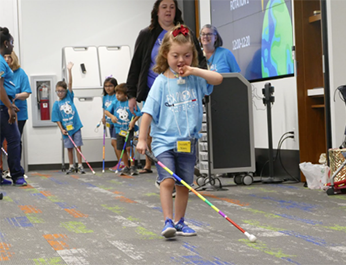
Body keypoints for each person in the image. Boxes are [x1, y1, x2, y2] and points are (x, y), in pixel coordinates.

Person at [136, 24, 223, 238]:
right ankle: (167, 221)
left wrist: (194, 70)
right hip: (164, 142)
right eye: (176, 55)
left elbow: (218, 79)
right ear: (166, 55)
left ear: (193, 55)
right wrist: (141, 139)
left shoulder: (195, 79)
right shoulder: (160, 83)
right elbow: (147, 113)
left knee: (184, 185)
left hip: (188, 141)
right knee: (167, 181)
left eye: (187, 55)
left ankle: (180, 221)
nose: (181, 60)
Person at [126, 0, 206, 175]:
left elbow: (199, 58)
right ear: (156, 11)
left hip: (182, 88)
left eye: (171, 7)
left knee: (178, 126)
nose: (168, 11)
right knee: (158, 130)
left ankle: (181, 171)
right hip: (155, 88)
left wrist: (201, 78)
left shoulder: (186, 32)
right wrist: (131, 94)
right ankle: (163, 171)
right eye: (164, 7)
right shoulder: (146, 34)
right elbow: (136, 64)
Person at [0, 26, 26, 186]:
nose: (13, 46)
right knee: (14, 140)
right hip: (2, 108)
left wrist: (10, 104)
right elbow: (0, 87)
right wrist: (9, 107)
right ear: (5, 43)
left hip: (4, 105)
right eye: (12, 42)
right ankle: (17, 175)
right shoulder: (0, 61)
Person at [52, 62, 85, 174]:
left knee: (77, 146)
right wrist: (61, 129)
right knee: (69, 148)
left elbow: (70, 84)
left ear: (65, 91)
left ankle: (80, 165)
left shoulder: (69, 98)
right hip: (66, 129)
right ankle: (71, 165)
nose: (60, 93)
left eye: (62, 91)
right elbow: (57, 119)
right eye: (58, 91)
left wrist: (70, 71)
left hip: (75, 126)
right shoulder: (56, 104)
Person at [105, 83, 142, 176]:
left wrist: (133, 122)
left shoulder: (130, 102)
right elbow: (106, 111)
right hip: (119, 129)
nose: (117, 95)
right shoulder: (115, 102)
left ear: (126, 94)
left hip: (128, 129)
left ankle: (133, 165)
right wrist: (112, 116)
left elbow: (138, 114)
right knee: (122, 149)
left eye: (119, 93)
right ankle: (126, 166)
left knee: (129, 147)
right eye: (116, 93)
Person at [101, 76, 125, 171]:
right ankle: (120, 162)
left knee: (115, 142)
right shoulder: (105, 97)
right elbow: (104, 109)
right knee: (114, 143)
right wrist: (103, 117)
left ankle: (122, 163)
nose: (108, 88)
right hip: (109, 123)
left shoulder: (116, 96)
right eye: (106, 86)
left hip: (117, 122)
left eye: (110, 86)